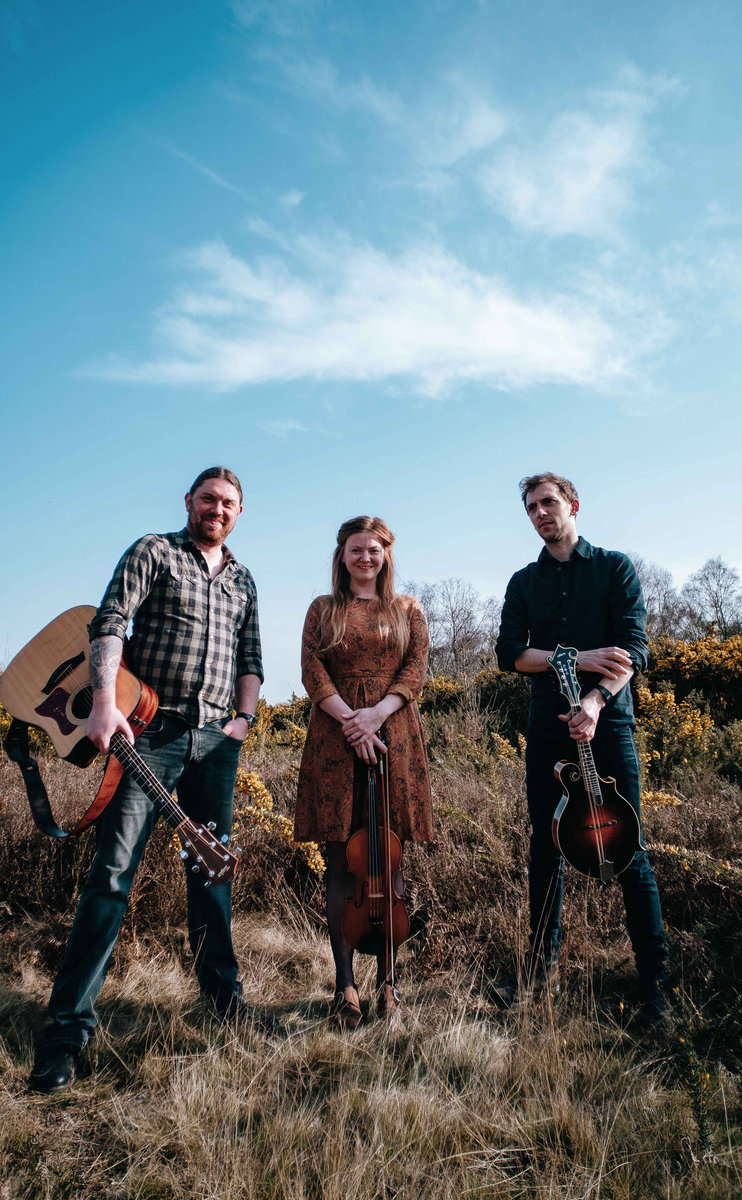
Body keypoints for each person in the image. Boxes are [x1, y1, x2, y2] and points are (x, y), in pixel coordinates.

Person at [29, 467, 263, 1093]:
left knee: (211, 874)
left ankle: (224, 1005)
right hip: (147, 734)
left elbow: (251, 660)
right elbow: (109, 622)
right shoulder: (154, 551)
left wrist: (242, 721)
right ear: (189, 501)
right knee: (111, 876)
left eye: (229, 503)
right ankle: (65, 1033)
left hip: (215, 743)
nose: (217, 509)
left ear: (240, 512)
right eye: (209, 498)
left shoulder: (243, 580)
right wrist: (105, 703)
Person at [494, 473, 668, 1022]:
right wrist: (575, 657)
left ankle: (656, 991)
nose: (540, 514)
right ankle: (537, 980)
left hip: (609, 727)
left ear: (573, 505)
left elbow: (634, 649)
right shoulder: (524, 582)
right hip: (548, 732)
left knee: (630, 850)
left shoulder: (614, 568)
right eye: (531, 508)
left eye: (548, 503)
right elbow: (511, 654)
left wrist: (595, 701)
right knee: (547, 848)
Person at [294, 516, 433, 1027]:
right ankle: (345, 987)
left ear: (386, 555)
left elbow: (415, 670)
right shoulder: (323, 608)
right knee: (340, 865)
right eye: (356, 549)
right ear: (342, 555)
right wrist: (352, 722)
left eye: (374, 549)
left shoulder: (408, 609)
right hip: (335, 740)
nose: (365, 557)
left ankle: (389, 985)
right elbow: (312, 671)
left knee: (389, 863)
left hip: (394, 736)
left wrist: (375, 715)